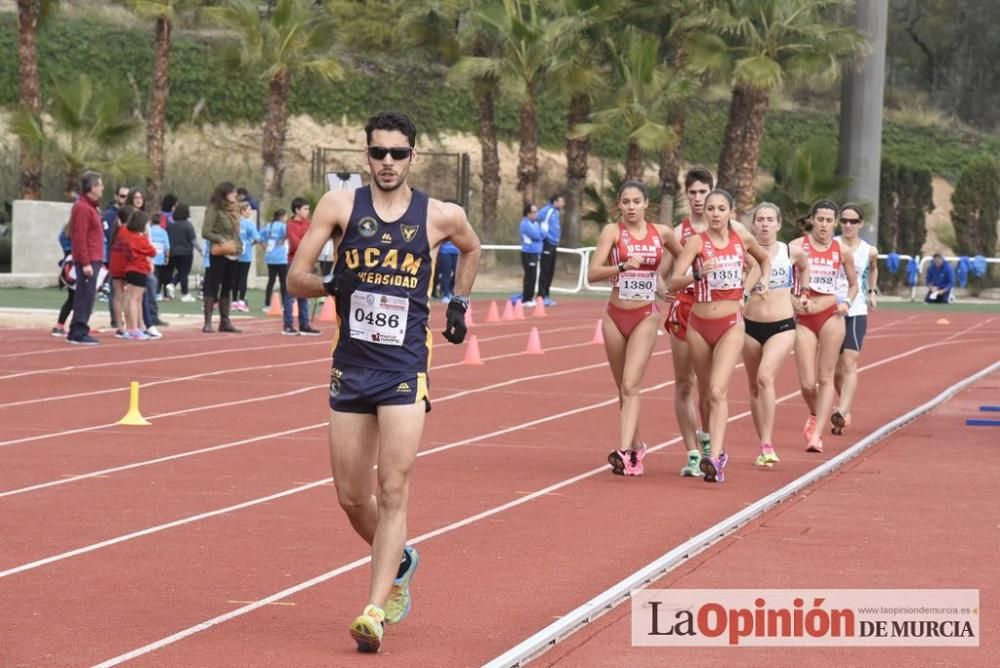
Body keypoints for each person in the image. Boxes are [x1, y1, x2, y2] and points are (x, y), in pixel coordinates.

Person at [287, 110, 481, 654]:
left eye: (398, 153)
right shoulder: (339, 207)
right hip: (351, 367)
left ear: (413, 156)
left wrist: (459, 302)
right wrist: (331, 282)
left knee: (392, 488)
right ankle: (401, 559)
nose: (388, 162)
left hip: (403, 368)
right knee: (352, 497)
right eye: (378, 153)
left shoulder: (440, 215)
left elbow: (473, 248)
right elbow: (294, 279)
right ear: (366, 156)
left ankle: (374, 609)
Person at [668, 189, 771, 483]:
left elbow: (762, 261)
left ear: (731, 212)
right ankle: (707, 445)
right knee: (703, 392)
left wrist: (750, 289)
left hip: (730, 324)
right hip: (698, 324)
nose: (714, 213)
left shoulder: (743, 240)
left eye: (720, 208)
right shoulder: (696, 242)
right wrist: (697, 275)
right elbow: (674, 280)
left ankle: (716, 456)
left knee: (716, 390)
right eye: (710, 209)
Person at [588, 181, 681, 476]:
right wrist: (622, 267)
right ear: (619, 204)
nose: (630, 207)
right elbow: (592, 273)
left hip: (645, 314)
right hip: (614, 315)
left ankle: (625, 452)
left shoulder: (662, 233)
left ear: (645, 204)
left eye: (636, 201)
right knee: (622, 388)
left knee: (631, 385)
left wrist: (665, 280)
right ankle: (637, 445)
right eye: (625, 202)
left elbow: (685, 254)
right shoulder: (612, 232)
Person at [662, 167, 724, 477]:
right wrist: (667, 292)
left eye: (704, 192)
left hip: (716, 312)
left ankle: (711, 441)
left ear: (713, 191)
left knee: (710, 386)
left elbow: (752, 261)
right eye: (693, 193)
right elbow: (663, 277)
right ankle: (692, 453)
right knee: (684, 383)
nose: (698, 198)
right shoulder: (678, 233)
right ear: (686, 195)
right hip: (685, 311)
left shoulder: (730, 228)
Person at [742, 203, 810, 467]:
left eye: (770, 219)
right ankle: (762, 443)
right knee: (752, 385)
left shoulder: (790, 251)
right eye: (760, 220)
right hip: (749, 325)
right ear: (753, 224)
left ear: (779, 224)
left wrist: (803, 293)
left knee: (764, 377)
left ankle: (768, 443)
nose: (765, 224)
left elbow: (804, 267)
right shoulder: (745, 252)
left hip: (781, 325)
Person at [790, 200, 858, 454]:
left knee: (825, 377)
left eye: (829, 220)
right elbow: (782, 276)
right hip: (805, 317)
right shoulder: (797, 247)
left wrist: (847, 303)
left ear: (835, 223)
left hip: (831, 315)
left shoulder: (842, 252)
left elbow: (853, 284)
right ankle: (814, 413)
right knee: (808, 383)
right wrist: (793, 300)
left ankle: (817, 435)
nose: (824, 225)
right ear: (812, 219)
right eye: (820, 219)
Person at [831, 204, 878, 435]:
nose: (848, 225)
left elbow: (873, 269)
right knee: (835, 371)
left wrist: (872, 292)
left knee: (850, 361)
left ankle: (841, 410)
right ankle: (845, 405)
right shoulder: (832, 245)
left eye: (853, 221)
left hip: (856, 309)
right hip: (831, 311)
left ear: (861, 223)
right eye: (844, 221)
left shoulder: (869, 250)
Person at [66, 171, 106, 345]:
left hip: (95, 256)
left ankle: (78, 328)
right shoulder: (83, 207)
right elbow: (79, 236)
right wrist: (86, 262)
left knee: (86, 295)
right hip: (88, 258)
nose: (102, 187)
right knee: (85, 295)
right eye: (100, 184)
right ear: (92, 187)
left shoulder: (91, 206)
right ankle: (79, 330)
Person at [201, 181, 244, 333]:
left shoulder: (235, 209)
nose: (235, 195)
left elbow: (236, 232)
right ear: (224, 193)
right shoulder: (214, 209)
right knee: (213, 284)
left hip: (233, 251)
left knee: (228, 285)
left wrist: (238, 245)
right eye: (232, 192)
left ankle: (224, 321)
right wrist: (220, 239)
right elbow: (205, 231)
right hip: (220, 251)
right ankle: (207, 321)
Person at [110, 210, 157, 340]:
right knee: (135, 299)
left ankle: (130, 327)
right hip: (139, 270)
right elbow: (152, 251)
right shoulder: (139, 238)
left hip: (128, 268)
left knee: (128, 297)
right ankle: (135, 328)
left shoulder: (125, 234)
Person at [285, 197, 322, 336]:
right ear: (297, 210)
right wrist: (308, 245)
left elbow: (316, 239)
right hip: (293, 262)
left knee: (304, 294)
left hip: (307, 263)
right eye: (305, 209)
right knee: (290, 295)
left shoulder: (309, 224)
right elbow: (295, 244)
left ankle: (304, 324)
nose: (307, 212)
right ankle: (288, 324)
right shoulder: (290, 224)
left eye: (308, 209)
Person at [260, 208, 293, 325]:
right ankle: (285, 304)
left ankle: (267, 303)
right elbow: (290, 234)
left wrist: (264, 247)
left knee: (271, 280)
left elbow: (260, 237)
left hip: (270, 256)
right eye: (286, 216)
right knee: (283, 281)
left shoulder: (269, 226)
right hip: (280, 257)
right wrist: (284, 240)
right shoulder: (283, 226)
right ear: (282, 216)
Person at [165, 203, 199, 302]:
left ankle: (172, 284)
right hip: (186, 252)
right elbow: (193, 240)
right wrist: (201, 250)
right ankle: (184, 293)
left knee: (179, 272)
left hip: (173, 252)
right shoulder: (187, 225)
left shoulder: (170, 225)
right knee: (184, 273)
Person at [536, 192, 564, 306]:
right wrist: (543, 235)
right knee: (545, 270)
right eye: (561, 201)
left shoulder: (556, 212)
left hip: (554, 244)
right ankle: (541, 296)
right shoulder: (546, 210)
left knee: (551, 271)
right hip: (547, 244)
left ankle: (546, 295)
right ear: (555, 201)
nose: (563, 204)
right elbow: (535, 219)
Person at [232, 201, 260, 312]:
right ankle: (241, 301)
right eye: (248, 209)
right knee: (243, 278)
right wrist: (250, 243)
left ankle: (233, 301)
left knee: (234, 278)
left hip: (234, 253)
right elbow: (257, 238)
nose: (250, 212)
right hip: (246, 254)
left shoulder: (234, 222)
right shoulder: (249, 224)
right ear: (243, 211)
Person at [52, 220, 75, 337]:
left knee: (72, 298)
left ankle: (59, 326)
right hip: (76, 264)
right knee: (80, 298)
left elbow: (62, 240)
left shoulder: (66, 228)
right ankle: (75, 327)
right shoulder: (77, 228)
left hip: (68, 264)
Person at [519, 202, 542, 307]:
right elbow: (537, 235)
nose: (536, 214)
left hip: (535, 252)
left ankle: (530, 297)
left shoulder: (536, 224)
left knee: (533, 276)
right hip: (528, 253)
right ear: (528, 213)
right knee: (529, 276)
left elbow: (541, 234)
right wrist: (540, 235)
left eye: (536, 212)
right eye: (533, 212)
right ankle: (526, 298)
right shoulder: (525, 224)